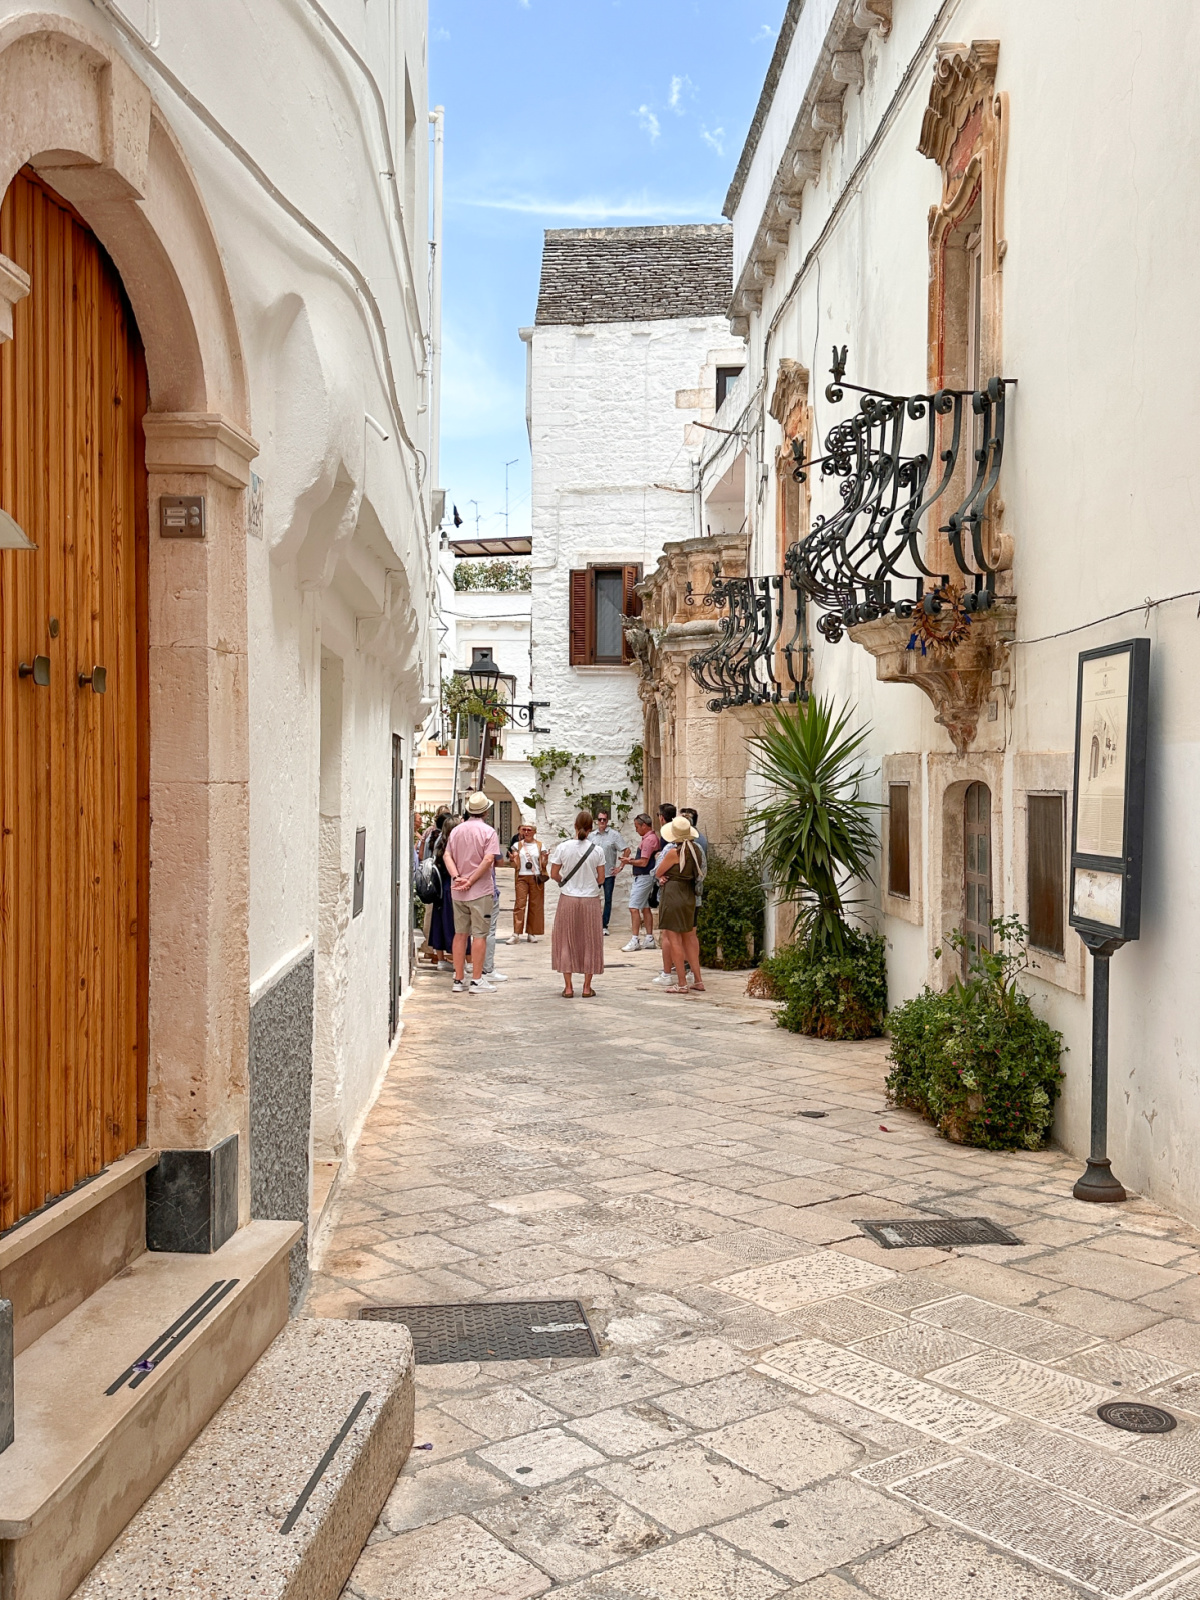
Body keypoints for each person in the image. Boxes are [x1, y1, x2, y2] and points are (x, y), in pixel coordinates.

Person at [443, 792, 503, 994]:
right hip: (480, 891)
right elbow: (488, 860)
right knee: (480, 935)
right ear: (486, 811)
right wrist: (471, 880)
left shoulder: (456, 831)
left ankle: (458, 979)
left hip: (458, 891)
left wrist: (456, 876)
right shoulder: (488, 832)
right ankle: (477, 980)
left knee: (460, 934)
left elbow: (447, 855)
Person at [549, 810, 606, 998]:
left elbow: (554, 873)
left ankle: (568, 987)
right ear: (591, 828)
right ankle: (587, 987)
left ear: (575, 825)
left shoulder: (563, 848)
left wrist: (564, 882)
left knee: (567, 939)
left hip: (568, 898)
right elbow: (601, 878)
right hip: (590, 899)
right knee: (590, 941)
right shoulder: (597, 850)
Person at [655, 816, 706, 995]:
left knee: (674, 939)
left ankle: (682, 983)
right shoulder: (697, 851)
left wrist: (661, 877)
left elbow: (658, 871)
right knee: (690, 937)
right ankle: (698, 979)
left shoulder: (673, 853)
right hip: (689, 895)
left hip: (673, 895)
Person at [620, 814, 659, 951]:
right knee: (645, 907)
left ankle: (635, 939)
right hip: (645, 876)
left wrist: (628, 861)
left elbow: (643, 862)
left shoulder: (648, 840)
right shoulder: (650, 839)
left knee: (633, 907)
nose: (636, 830)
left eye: (637, 826)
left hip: (644, 877)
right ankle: (649, 938)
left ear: (644, 825)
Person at [587, 809, 627, 935]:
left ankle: (604, 925)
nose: (602, 821)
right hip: (594, 873)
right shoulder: (591, 836)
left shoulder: (614, 835)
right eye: (600, 819)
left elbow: (626, 850)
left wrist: (620, 867)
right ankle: (592, 923)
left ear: (608, 820)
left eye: (604, 819)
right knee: (592, 898)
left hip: (609, 873)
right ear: (596, 821)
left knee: (608, 899)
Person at [426, 814, 458, 971]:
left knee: (438, 922)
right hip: (450, 888)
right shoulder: (453, 846)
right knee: (456, 925)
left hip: (439, 888)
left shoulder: (439, 843)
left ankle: (440, 959)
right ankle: (460, 960)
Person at [509, 821, 548, 941]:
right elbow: (514, 864)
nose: (526, 832)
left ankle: (532, 932)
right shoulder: (517, 845)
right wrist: (513, 860)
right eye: (524, 830)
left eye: (529, 830)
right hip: (522, 876)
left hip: (536, 877)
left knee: (535, 905)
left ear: (534, 832)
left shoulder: (541, 846)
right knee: (520, 904)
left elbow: (543, 865)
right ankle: (516, 933)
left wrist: (545, 859)